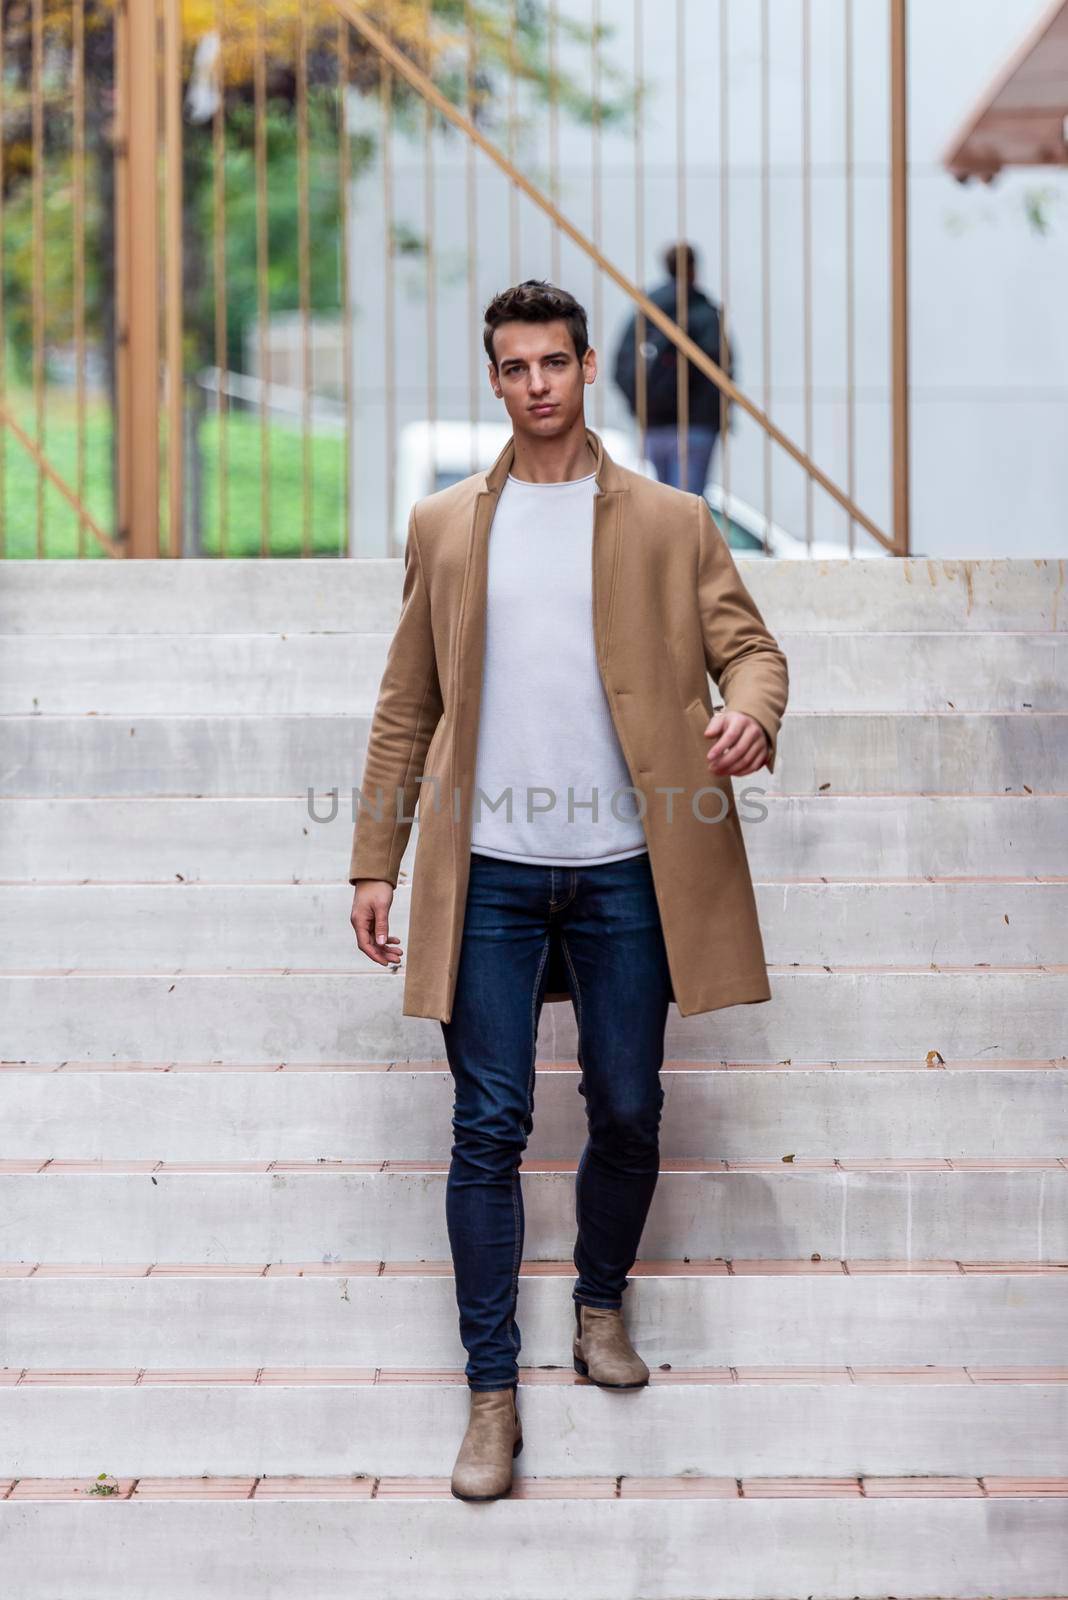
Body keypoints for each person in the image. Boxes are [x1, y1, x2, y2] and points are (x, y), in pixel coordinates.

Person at [348, 279, 788, 1503]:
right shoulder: (446, 526)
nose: (536, 382)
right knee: (485, 1129)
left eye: (555, 361)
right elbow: (407, 705)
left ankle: (599, 1299)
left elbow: (749, 649)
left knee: (630, 1103)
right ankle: (494, 1397)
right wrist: (373, 859)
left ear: (592, 367)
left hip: (627, 871)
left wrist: (749, 714)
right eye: (514, 366)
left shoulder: (668, 519)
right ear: (493, 380)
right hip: (486, 872)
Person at [613, 242, 734, 494]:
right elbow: (723, 367)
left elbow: (621, 364)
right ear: (693, 269)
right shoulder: (702, 312)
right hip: (696, 426)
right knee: (688, 507)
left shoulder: (647, 310)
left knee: (660, 506)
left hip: (654, 425)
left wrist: (641, 406)